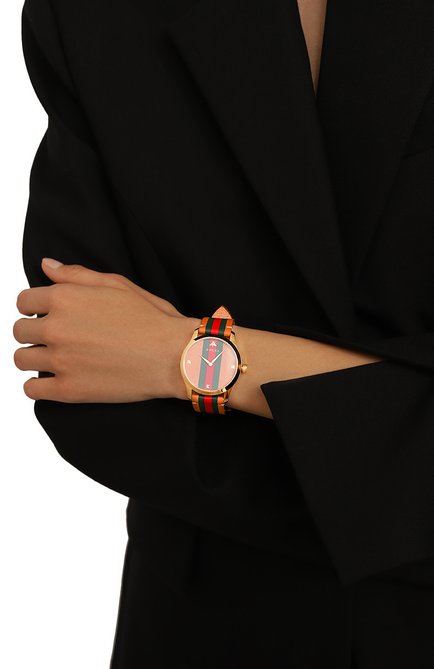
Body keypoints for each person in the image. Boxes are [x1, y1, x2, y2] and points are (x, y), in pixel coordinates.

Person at [13, 0, 434, 665]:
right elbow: (79, 364)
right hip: (202, 633)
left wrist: (181, 352)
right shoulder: (91, 15)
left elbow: (122, 360)